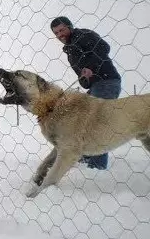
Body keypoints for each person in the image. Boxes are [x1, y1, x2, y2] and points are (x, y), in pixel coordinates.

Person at [50, 16, 122, 170]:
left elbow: (103, 47)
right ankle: (86, 157)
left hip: (107, 82)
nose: (60, 34)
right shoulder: (70, 51)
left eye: (62, 30)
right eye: (56, 33)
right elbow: (83, 79)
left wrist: (90, 67)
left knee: (97, 123)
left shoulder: (83, 35)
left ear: (70, 26)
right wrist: (85, 79)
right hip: (96, 85)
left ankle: (97, 166)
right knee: (80, 120)